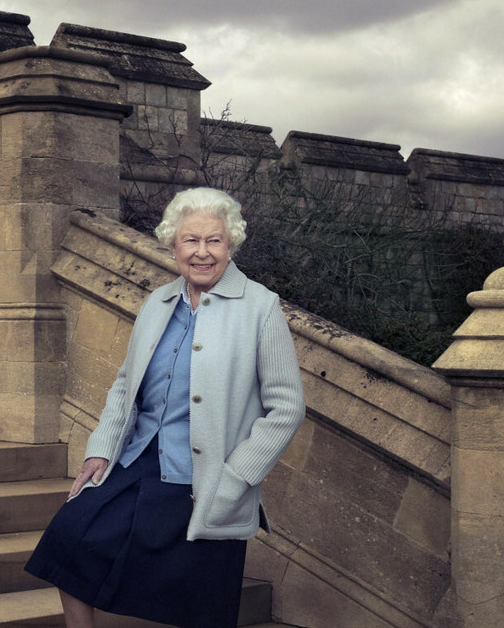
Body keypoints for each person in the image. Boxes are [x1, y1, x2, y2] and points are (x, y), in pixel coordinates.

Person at [25, 187, 305, 627]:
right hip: (139, 462)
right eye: (190, 241)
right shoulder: (157, 303)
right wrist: (100, 448)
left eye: (214, 240)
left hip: (208, 478)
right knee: (69, 539)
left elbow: (287, 407)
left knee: (201, 605)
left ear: (230, 244)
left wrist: (237, 477)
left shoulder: (261, 308)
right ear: (173, 244)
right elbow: (125, 385)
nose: (202, 252)